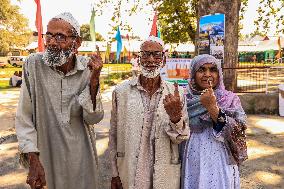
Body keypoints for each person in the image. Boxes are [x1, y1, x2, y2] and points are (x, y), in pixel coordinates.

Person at [15, 12, 104, 189]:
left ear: (76, 43)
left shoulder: (88, 68)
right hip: (45, 156)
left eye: (60, 36)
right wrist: (32, 159)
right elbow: (24, 116)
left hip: (81, 158)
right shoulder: (33, 64)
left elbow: (93, 118)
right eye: (49, 35)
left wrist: (94, 81)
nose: (52, 42)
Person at [109, 36, 189, 189]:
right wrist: (114, 172)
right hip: (131, 171)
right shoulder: (121, 92)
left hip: (164, 172)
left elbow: (182, 138)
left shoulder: (176, 94)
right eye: (145, 54)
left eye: (157, 55)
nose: (151, 60)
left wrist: (175, 118)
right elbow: (113, 135)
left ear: (164, 60)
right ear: (139, 59)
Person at [181, 54, 248, 189]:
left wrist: (213, 108)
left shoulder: (230, 99)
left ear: (219, 74)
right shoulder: (184, 99)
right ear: (193, 74)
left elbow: (239, 130)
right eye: (201, 70)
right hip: (193, 157)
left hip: (221, 158)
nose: (207, 74)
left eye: (212, 69)